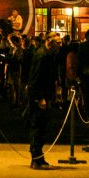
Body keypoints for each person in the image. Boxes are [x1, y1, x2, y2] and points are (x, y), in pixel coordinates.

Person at [27, 32, 61, 168]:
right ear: (50, 43)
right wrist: (39, 98)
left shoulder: (49, 55)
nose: (60, 46)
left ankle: (39, 157)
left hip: (45, 95)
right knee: (37, 126)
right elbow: (36, 78)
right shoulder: (42, 56)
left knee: (42, 126)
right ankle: (36, 158)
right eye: (58, 43)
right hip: (39, 96)